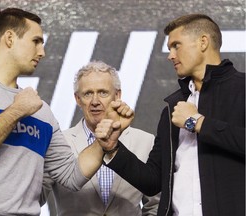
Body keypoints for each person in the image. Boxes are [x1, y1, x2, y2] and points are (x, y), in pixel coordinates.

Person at [0, 8, 133, 216]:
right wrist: (16, 111)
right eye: (36, 41)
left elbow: (71, 175)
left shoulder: (42, 111)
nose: (42, 52)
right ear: (9, 38)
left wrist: (104, 141)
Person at [95, 14, 245, 216]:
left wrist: (198, 122)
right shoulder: (173, 108)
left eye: (176, 45)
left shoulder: (242, 89)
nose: (170, 55)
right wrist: (113, 148)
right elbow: (153, 182)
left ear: (203, 42)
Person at [40, 61, 160, 215]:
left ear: (117, 95)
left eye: (103, 92)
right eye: (88, 93)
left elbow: (156, 205)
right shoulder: (58, 142)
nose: (95, 101)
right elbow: (35, 197)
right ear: (77, 99)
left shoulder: (145, 141)